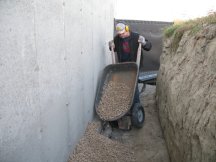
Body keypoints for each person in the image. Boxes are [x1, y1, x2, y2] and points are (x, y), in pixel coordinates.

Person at [108, 22, 152, 105]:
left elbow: (149, 47)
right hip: (123, 66)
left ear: (127, 29)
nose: (121, 36)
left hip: (134, 65)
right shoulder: (117, 39)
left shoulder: (136, 37)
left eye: (123, 33)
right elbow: (113, 49)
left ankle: (136, 104)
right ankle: (125, 103)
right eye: (120, 34)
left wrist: (144, 43)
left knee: (133, 86)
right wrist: (110, 45)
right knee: (123, 84)